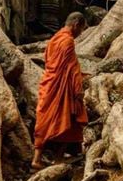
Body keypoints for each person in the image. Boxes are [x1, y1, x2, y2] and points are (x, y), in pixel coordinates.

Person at [32, 12, 89, 169]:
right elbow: (71, 68)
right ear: (76, 24)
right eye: (82, 29)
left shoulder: (54, 39)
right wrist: (78, 89)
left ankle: (37, 158)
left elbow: (50, 62)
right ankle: (57, 158)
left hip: (49, 84)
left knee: (44, 121)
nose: (80, 34)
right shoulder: (68, 41)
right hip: (61, 87)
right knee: (69, 119)